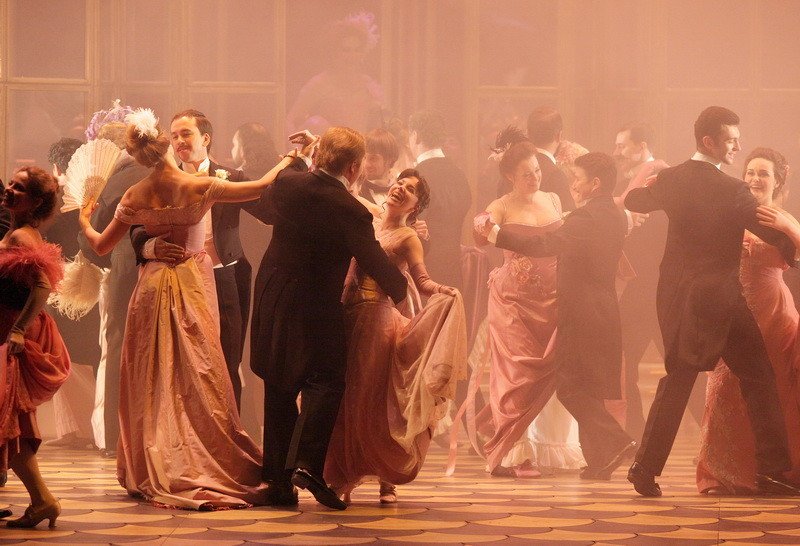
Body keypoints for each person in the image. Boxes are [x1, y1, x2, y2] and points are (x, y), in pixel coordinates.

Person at [79, 109, 294, 509]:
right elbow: (263, 185)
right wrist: (290, 160)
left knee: (152, 372)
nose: (179, 142)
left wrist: (84, 216)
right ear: (165, 146)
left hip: (151, 289)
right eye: (173, 136)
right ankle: (201, 453)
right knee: (201, 369)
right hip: (192, 285)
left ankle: (154, 456)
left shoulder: (135, 194)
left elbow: (101, 244)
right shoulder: (197, 186)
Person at [625, 106, 800, 497]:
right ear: (709, 141)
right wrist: (792, 232)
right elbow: (772, 235)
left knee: (679, 377)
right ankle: (771, 471)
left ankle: (644, 467)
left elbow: (635, 201)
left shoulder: (671, 179)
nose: (737, 145)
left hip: (677, 297)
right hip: (721, 300)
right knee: (758, 377)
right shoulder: (732, 190)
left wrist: (652, 182)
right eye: (731, 139)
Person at [250, 127, 407, 511]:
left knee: (279, 383)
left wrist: (301, 157)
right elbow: (374, 260)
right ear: (353, 168)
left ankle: (279, 484)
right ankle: (307, 464)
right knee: (328, 379)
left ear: (319, 156)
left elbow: (267, 206)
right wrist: (401, 286)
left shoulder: (288, 184)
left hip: (273, 296)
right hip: (316, 305)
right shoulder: (350, 209)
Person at [476, 152, 636, 481]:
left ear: (595, 183)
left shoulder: (584, 219)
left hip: (581, 312)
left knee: (570, 389)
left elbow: (546, 244)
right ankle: (600, 461)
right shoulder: (614, 214)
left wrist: (497, 236)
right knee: (588, 387)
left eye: (577, 178)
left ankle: (617, 441)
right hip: (604, 309)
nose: (572, 184)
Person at [324, 170, 466, 504]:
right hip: (346, 316)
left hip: (377, 321)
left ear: (416, 207)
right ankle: (344, 475)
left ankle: (387, 478)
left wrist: (443, 291)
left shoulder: (408, 237)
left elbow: (422, 281)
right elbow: (344, 193)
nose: (401, 188)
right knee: (345, 399)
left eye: (411, 189)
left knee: (375, 399)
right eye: (400, 183)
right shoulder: (368, 220)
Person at [131, 110, 254, 411]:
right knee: (181, 362)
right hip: (181, 282)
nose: (179, 141)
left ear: (206, 138)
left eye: (186, 133)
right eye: (174, 136)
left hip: (223, 277)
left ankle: (230, 430)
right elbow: (135, 228)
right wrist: (151, 247)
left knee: (227, 361)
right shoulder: (162, 181)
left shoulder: (232, 177)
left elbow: (270, 209)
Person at [697, 147, 800, 494]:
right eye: (750, 173)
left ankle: (775, 471)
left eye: (764, 174)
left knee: (777, 390)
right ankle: (723, 473)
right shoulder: (730, 214)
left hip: (775, 314)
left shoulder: (783, 218)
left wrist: (788, 227)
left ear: (778, 181)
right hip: (733, 311)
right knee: (725, 389)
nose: (755, 179)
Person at [471, 137, 565, 477]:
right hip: (513, 301)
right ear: (511, 176)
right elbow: (480, 231)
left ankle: (548, 446)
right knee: (516, 374)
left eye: (537, 171)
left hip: (553, 300)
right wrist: (484, 223)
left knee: (550, 373)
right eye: (526, 174)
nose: (534, 178)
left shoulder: (553, 199)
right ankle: (513, 452)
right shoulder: (501, 205)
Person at [0, 166, 71, 527]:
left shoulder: (20, 236)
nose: (9, 190)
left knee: (8, 420)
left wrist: (17, 331)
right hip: (10, 327)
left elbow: (42, 285)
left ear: (36, 202)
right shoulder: (20, 232)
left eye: (19, 188)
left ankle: (43, 499)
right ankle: (42, 500)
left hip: (13, 332)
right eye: (10, 183)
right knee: (11, 419)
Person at [78, 115, 151, 459]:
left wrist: (84, 225)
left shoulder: (116, 180)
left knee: (117, 345)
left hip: (124, 267)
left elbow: (93, 237)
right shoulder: (159, 172)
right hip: (166, 265)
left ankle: (113, 435)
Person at [611, 123, 672, 441]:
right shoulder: (626, 185)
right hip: (635, 292)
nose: (617, 152)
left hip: (659, 290)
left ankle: (711, 435)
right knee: (625, 364)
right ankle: (635, 434)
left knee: (681, 367)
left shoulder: (663, 178)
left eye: (623, 145)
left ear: (642, 145)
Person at [286, 12, 383, 133]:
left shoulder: (369, 85)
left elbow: (378, 125)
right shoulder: (320, 83)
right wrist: (294, 145)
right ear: (334, 53)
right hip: (330, 144)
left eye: (357, 50)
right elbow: (290, 120)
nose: (352, 56)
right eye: (346, 50)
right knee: (315, 123)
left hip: (359, 143)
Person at [408, 110, 471, 293]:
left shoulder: (415, 177)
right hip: (453, 271)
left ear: (415, 135)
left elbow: (409, 227)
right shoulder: (460, 175)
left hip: (422, 275)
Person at [526, 107, 575, 211]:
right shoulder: (556, 175)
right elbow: (569, 216)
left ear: (528, 134)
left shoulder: (511, 170)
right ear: (559, 136)